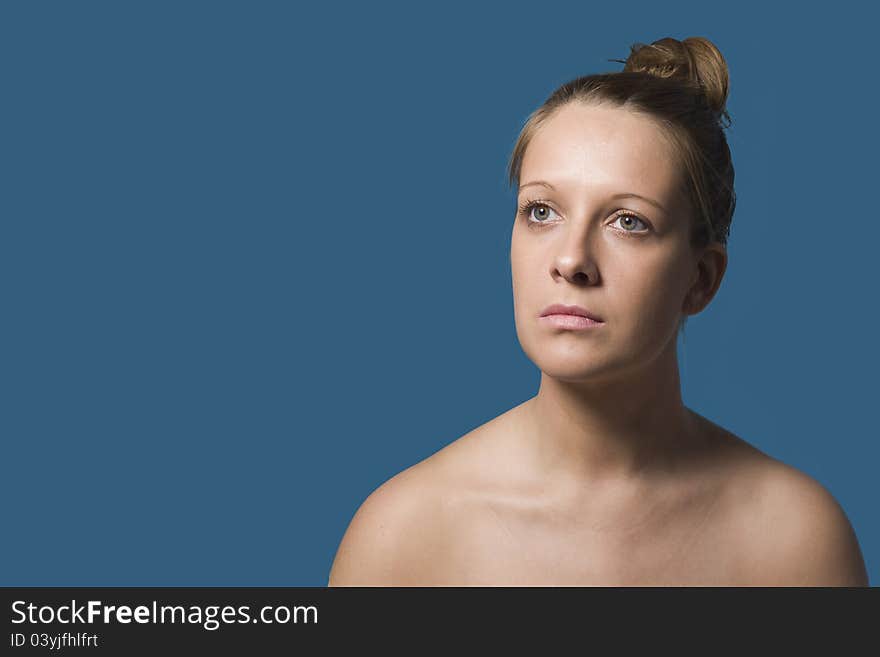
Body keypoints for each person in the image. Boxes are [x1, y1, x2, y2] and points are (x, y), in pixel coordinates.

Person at [328, 36, 869, 586]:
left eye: (628, 221)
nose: (571, 260)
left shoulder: (796, 541)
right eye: (541, 211)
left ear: (700, 279)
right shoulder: (403, 536)